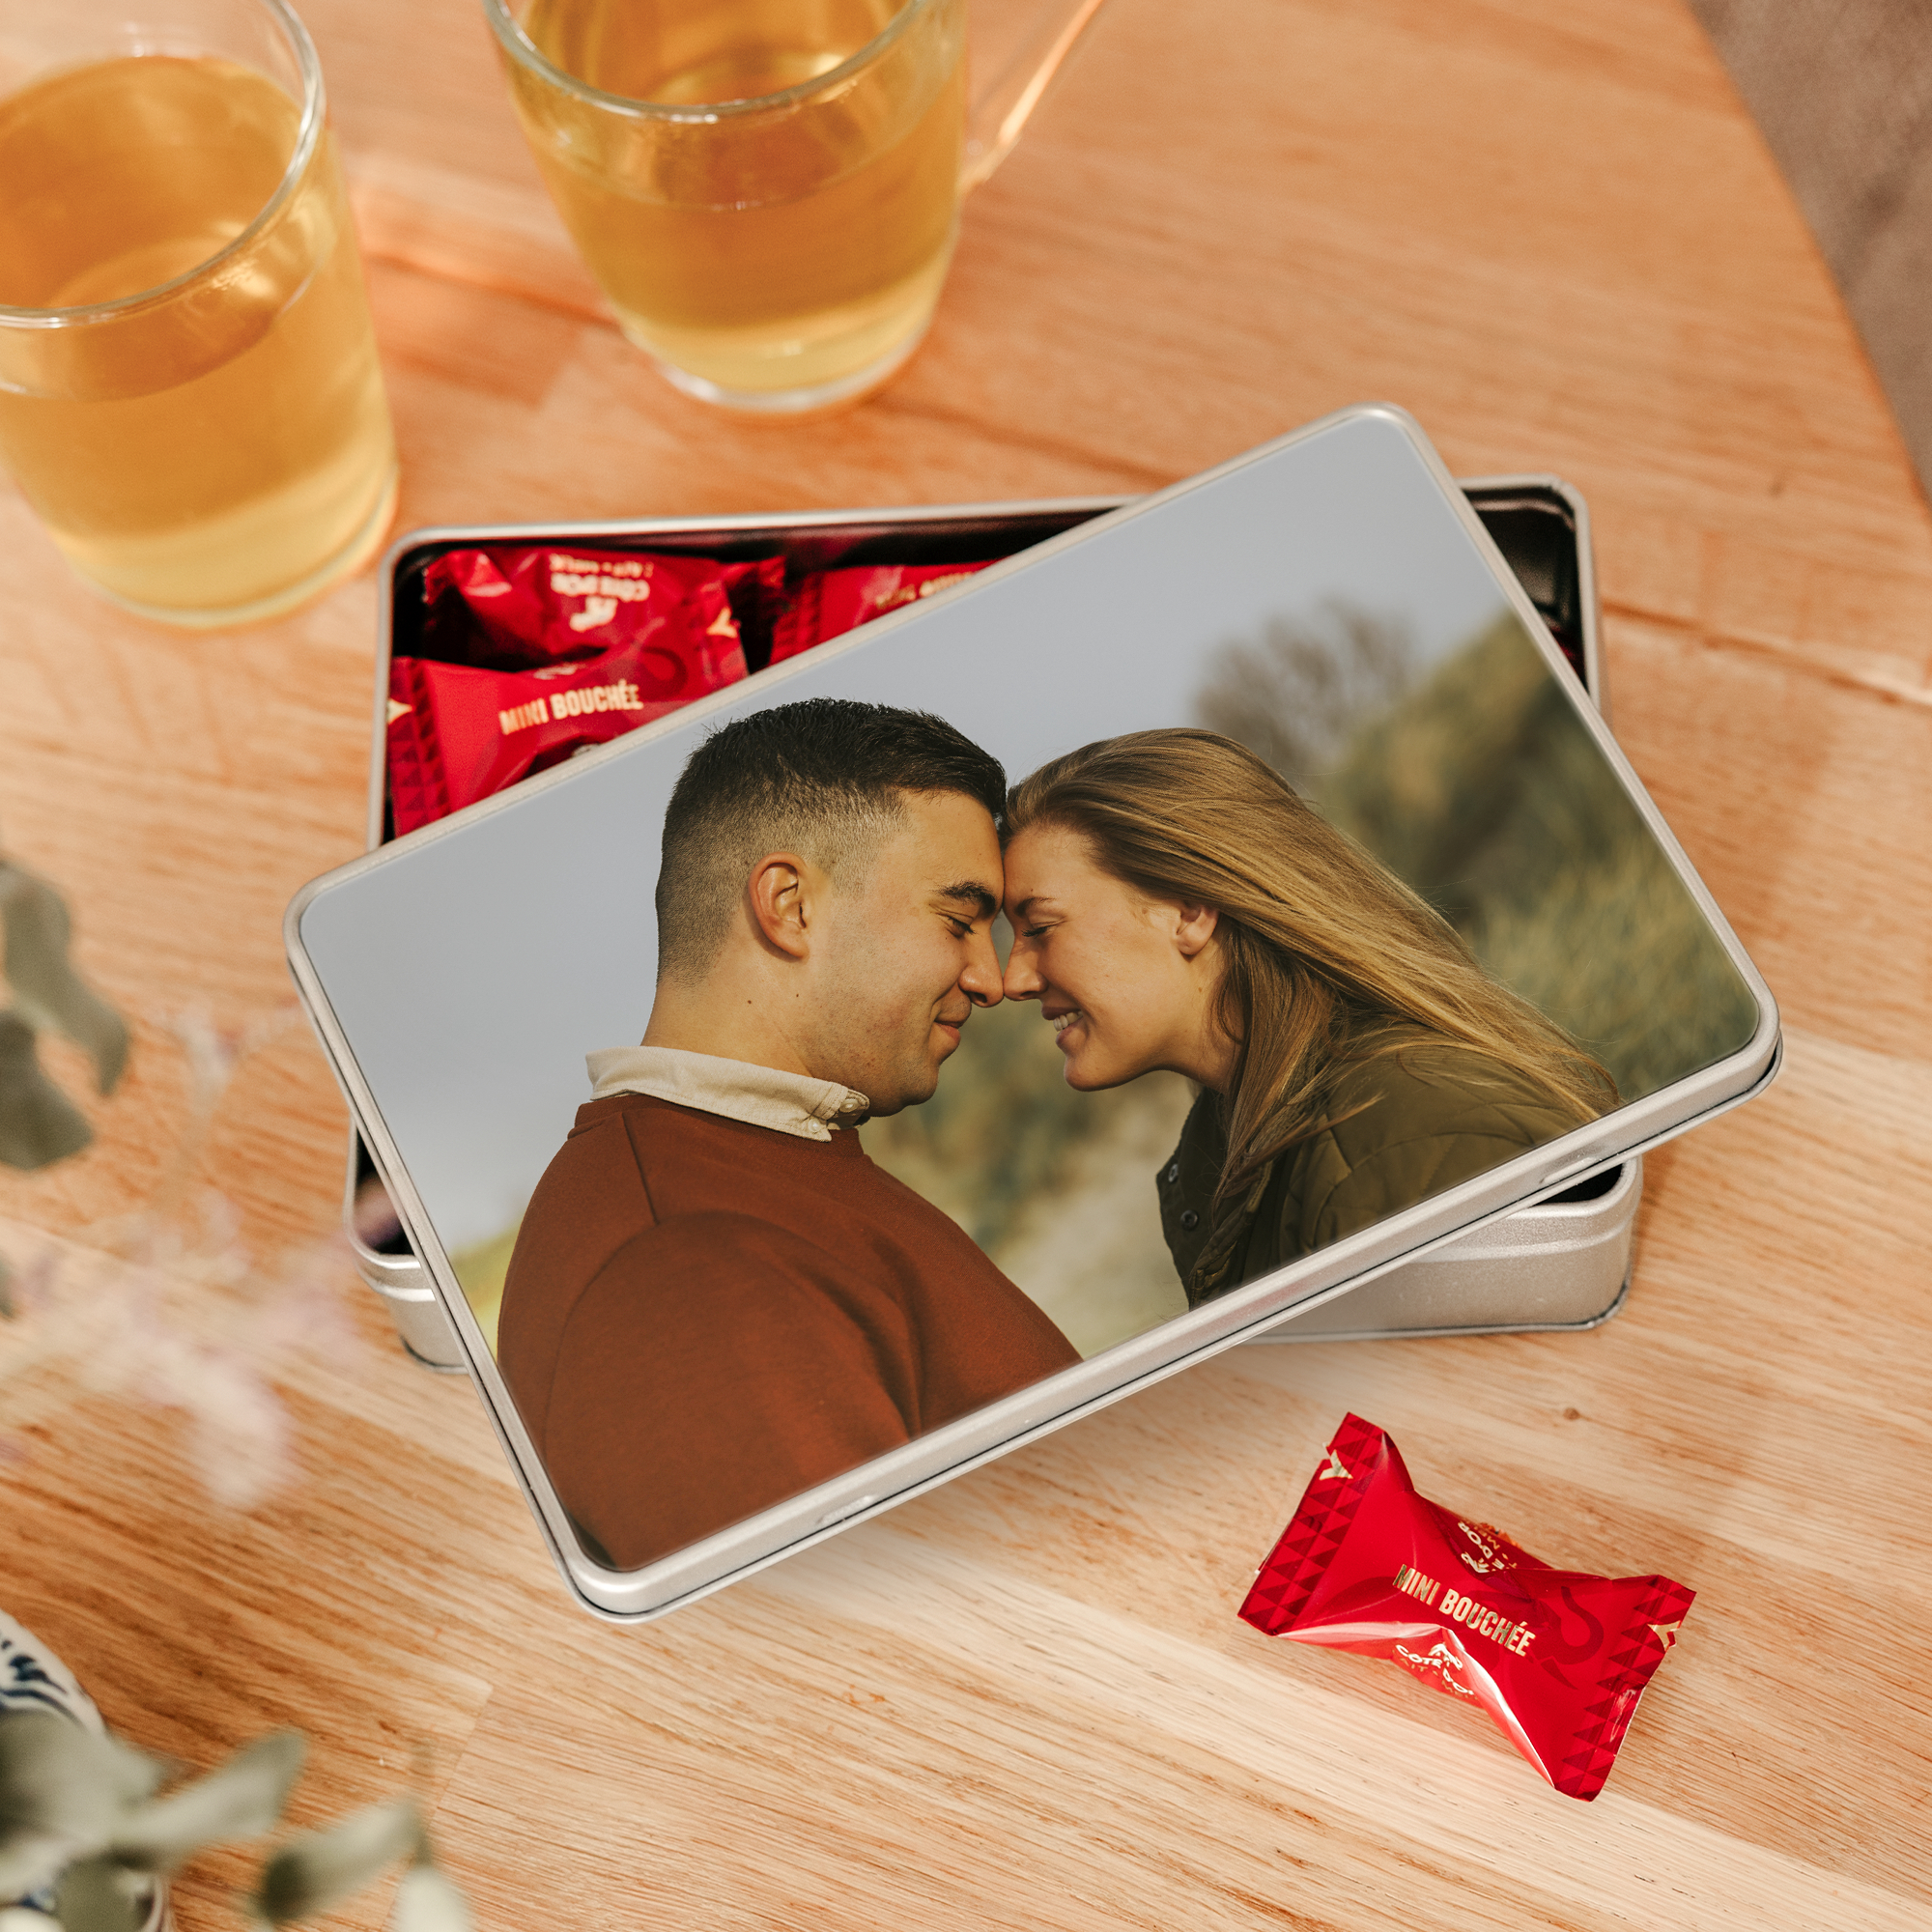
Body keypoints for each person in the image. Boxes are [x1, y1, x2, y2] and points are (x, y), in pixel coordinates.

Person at [498, 699, 1078, 1571]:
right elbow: (864, 1660)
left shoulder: (766, 1169)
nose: (991, 978)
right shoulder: (682, 1277)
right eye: (959, 921)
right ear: (790, 905)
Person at [999, 728, 1616, 1306]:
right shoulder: (1256, 1142)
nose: (1013, 979)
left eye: (1042, 928)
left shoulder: (1406, 1142)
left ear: (1187, 912)